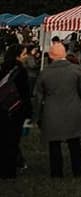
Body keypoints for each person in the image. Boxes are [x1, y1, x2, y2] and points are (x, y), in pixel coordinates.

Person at [32, 41, 81, 178]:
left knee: (54, 145)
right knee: (74, 144)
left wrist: (36, 116)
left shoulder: (44, 73)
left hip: (51, 112)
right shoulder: (76, 70)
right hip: (73, 110)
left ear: (51, 56)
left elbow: (38, 96)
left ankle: (56, 172)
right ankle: (79, 171)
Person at [0, 44, 32, 179]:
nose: (26, 56)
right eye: (24, 54)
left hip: (2, 108)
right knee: (12, 141)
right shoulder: (21, 71)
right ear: (18, 56)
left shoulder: (2, 68)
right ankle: (9, 171)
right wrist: (28, 112)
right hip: (16, 109)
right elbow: (25, 94)